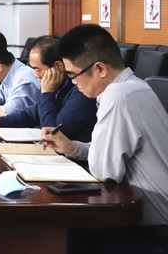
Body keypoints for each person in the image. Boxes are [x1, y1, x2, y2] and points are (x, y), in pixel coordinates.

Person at [41, 24, 168, 252]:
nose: (73, 82)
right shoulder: (137, 86)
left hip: (154, 229)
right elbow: (113, 152)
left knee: (67, 236)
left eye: (73, 75)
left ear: (100, 68)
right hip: (148, 216)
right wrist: (72, 147)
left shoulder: (117, 97)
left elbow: (105, 171)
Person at [0, 35, 97, 142]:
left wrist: (47, 93)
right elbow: (30, 115)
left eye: (38, 69)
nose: (35, 75)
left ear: (58, 67)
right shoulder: (59, 85)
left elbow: (53, 132)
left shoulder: (81, 91)